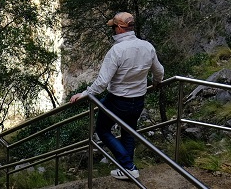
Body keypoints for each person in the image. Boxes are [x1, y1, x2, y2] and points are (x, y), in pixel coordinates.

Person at [70, 12, 164, 181]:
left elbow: (101, 83)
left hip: (118, 100)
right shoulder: (147, 46)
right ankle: (127, 168)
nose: (112, 30)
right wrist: (156, 83)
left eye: (113, 27)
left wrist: (84, 94)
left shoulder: (117, 51)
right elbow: (159, 71)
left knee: (102, 130)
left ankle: (128, 166)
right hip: (139, 100)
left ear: (120, 28)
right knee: (128, 131)